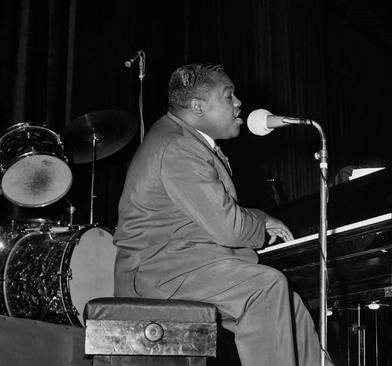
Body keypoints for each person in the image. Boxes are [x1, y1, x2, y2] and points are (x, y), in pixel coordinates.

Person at [113, 63, 333, 366]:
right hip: (156, 273)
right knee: (266, 288)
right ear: (198, 107)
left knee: (289, 308)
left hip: (182, 265)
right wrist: (261, 219)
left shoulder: (184, 140)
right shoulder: (177, 148)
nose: (239, 103)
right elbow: (228, 227)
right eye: (229, 96)